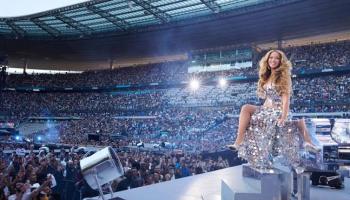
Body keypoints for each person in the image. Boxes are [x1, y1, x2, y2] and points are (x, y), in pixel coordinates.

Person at [228, 50, 318, 169]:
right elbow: (267, 98)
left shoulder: (284, 77)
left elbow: (286, 100)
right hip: (266, 108)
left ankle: (308, 142)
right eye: (271, 58)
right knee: (245, 108)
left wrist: (283, 116)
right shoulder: (267, 76)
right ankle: (238, 142)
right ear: (267, 59)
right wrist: (262, 108)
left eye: (276, 58)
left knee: (298, 120)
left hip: (277, 111)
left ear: (281, 62)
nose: (273, 60)